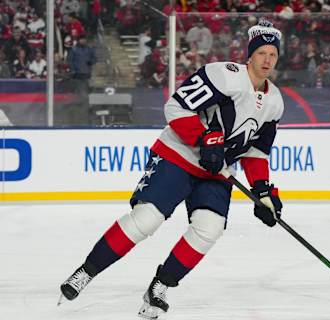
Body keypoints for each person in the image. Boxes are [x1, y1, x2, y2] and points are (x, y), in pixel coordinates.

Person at [58, 19, 285, 319]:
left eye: (272, 54)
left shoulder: (275, 103)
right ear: (250, 55)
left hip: (217, 171)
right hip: (180, 154)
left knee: (209, 228)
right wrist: (206, 139)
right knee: (146, 219)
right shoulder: (224, 76)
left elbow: (256, 151)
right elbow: (176, 107)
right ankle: (86, 271)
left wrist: (262, 191)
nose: (267, 59)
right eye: (262, 53)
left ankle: (160, 287)